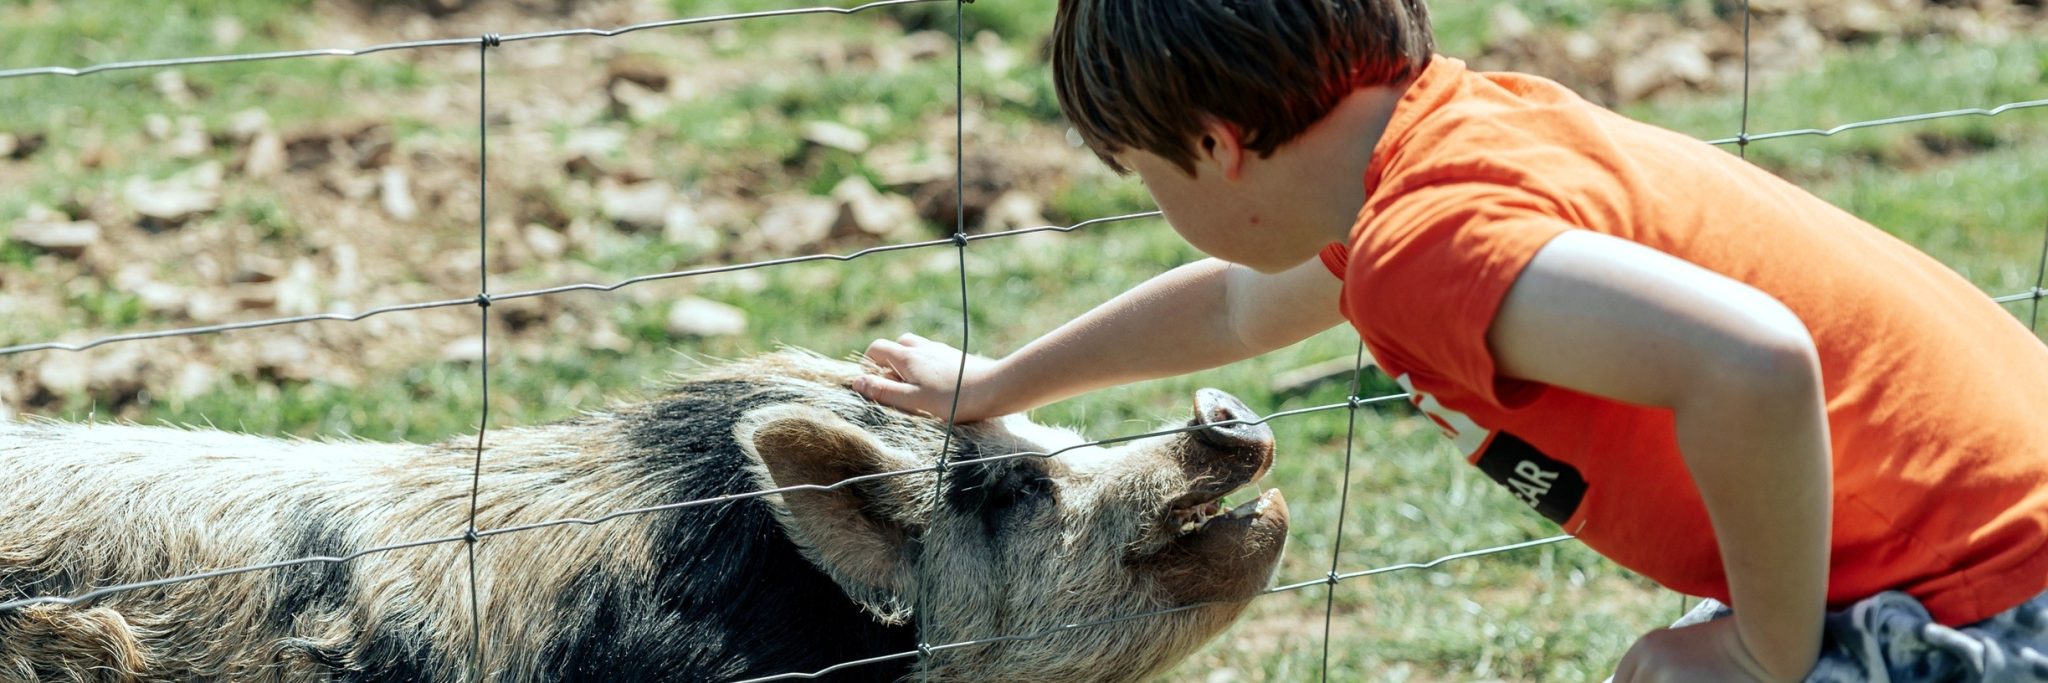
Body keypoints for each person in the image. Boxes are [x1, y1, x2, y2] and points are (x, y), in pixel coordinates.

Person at [850, 1, 2048, 680]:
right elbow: (1229, 306)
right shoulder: (1438, 151)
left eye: (1139, 171)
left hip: (1991, 598)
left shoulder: (1424, 242)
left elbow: (1752, 358)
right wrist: (999, 380)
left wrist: (1769, 651)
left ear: (1214, 147)